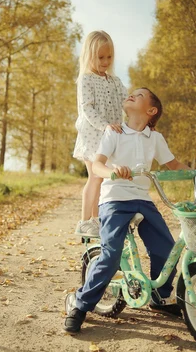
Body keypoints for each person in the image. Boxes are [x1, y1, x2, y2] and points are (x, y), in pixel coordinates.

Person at [64, 88, 192, 334]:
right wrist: (112, 171)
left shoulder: (155, 138)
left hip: (142, 199)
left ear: (151, 111)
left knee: (167, 250)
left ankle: (159, 296)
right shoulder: (114, 132)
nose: (132, 94)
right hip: (114, 200)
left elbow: (173, 164)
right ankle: (80, 305)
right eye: (131, 92)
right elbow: (98, 165)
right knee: (111, 256)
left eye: (140, 94)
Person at [73, 31, 128, 237]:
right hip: (93, 135)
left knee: (104, 180)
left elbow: (127, 101)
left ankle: (97, 221)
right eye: (100, 57)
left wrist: (145, 119)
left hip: (110, 138)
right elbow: (87, 108)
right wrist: (104, 125)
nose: (105, 61)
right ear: (89, 56)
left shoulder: (115, 81)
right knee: (95, 177)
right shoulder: (86, 80)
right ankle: (85, 221)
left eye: (109, 57)